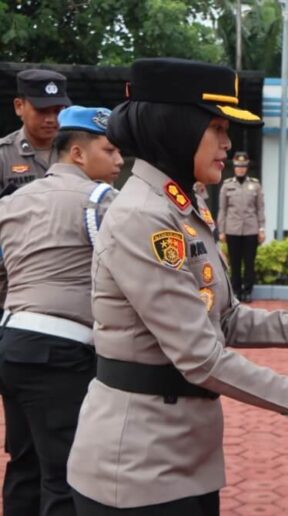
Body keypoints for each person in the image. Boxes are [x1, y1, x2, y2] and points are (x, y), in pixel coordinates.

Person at [66, 58, 288, 515]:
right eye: (217, 128)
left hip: (180, 456)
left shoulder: (182, 208)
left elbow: (221, 315)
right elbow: (201, 356)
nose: (229, 144)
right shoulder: (143, 217)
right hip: (137, 467)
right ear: (177, 128)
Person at [0, 105, 122, 516]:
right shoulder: (102, 200)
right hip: (62, 353)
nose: (120, 161)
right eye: (110, 150)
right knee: (67, 475)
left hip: (12, 345)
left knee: (25, 464)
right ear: (78, 154)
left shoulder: (15, 200)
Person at [0, 69, 72, 319]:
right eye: (43, 111)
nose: (52, 119)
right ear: (19, 106)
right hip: (13, 278)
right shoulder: (3, 156)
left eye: (58, 110)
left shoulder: (76, 153)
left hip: (68, 275)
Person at [217, 151, 265, 302]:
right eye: (238, 166)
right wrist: (221, 230)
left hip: (251, 229)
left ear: (247, 167)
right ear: (234, 167)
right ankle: (236, 291)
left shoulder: (255, 185)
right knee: (235, 263)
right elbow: (223, 209)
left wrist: (261, 229)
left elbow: (260, 209)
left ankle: (248, 291)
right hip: (232, 230)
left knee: (249, 263)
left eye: (243, 166)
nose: (240, 169)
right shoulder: (227, 185)